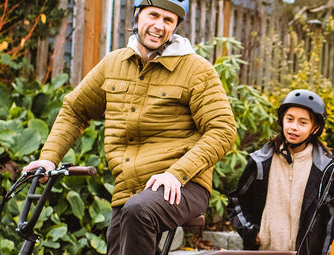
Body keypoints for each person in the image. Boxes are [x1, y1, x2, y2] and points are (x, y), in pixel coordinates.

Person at [22, 0, 237, 254]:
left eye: (168, 20)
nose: (159, 25)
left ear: (176, 26)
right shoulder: (113, 64)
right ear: (137, 15)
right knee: (121, 237)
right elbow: (74, 110)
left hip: (183, 185)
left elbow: (222, 129)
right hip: (130, 191)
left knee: (139, 210)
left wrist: (176, 174)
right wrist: (48, 159)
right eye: (153, 15)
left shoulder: (196, 70)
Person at [226, 89, 334, 255]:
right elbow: (236, 200)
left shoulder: (325, 169)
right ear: (282, 120)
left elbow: (332, 221)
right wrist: (250, 233)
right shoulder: (261, 162)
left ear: (315, 128)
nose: (294, 127)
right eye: (290, 119)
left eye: (303, 122)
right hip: (265, 251)